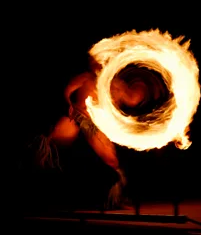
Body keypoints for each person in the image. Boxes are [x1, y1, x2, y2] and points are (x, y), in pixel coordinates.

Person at [32, 56, 148, 209]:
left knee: (111, 160)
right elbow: (68, 89)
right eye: (96, 64)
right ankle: (34, 163)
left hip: (96, 124)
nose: (99, 66)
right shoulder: (85, 78)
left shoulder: (114, 84)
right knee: (51, 142)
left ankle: (115, 197)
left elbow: (131, 99)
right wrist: (69, 104)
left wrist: (139, 91)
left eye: (103, 63)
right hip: (80, 115)